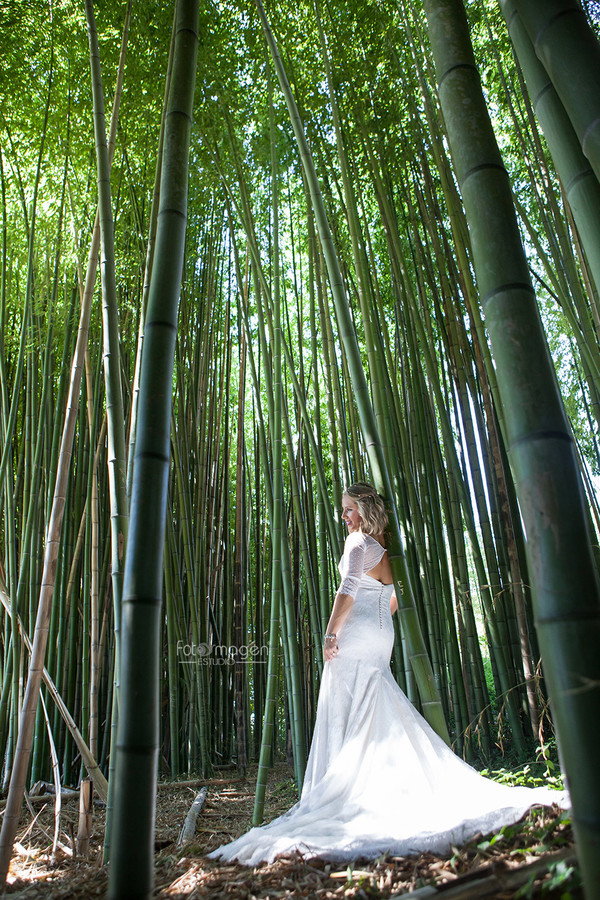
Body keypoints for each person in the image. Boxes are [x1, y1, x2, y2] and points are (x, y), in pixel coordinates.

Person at [209, 482, 568, 866]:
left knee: (345, 705)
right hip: (382, 634)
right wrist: (375, 622)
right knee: (374, 700)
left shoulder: (358, 543)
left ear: (364, 510)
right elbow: (394, 598)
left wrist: (331, 632)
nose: (343, 516)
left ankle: (344, 791)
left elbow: (347, 590)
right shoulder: (388, 552)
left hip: (355, 632)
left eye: (347, 509)